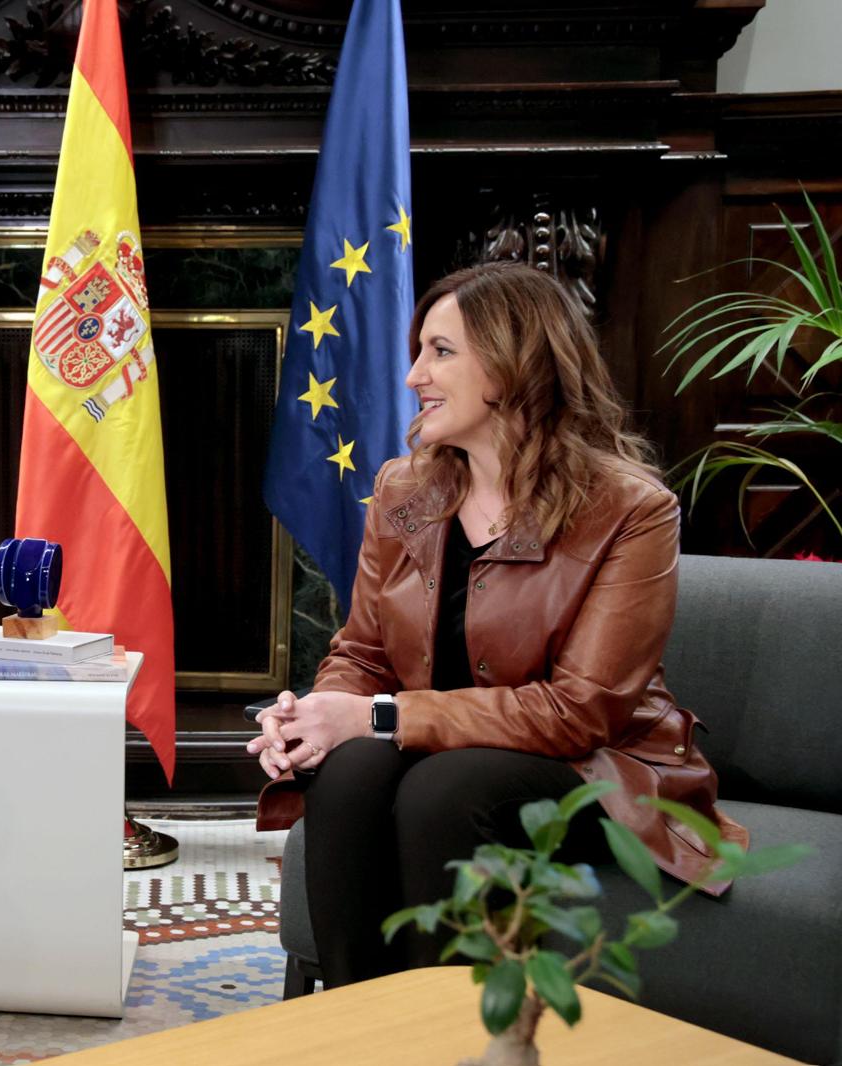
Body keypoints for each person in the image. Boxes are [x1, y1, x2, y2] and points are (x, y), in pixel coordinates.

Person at [247, 261, 747, 987]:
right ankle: (359, 1030)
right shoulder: (404, 488)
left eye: (440, 352)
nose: (414, 374)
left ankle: (448, 1039)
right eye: (419, 351)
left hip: (594, 769)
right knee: (349, 771)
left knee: (442, 790)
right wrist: (319, 717)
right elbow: (361, 651)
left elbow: (580, 713)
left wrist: (379, 716)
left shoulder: (631, 510)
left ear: (517, 365)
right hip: (437, 746)